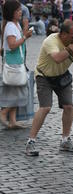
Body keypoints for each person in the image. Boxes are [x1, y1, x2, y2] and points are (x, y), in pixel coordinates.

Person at [25, 19, 73, 156]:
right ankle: (30, 142)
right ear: (63, 34)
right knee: (45, 107)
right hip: (44, 76)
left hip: (62, 76)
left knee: (69, 106)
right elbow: (57, 58)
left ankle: (65, 141)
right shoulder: (51, 40)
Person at [0, 0, 32, 128]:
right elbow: (13, 45)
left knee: (15, 91)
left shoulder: (15, 25)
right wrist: (25, 37)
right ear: (12, 12)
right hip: (13, 64)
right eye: (18, 10)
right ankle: (4, 113)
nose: (21, 12)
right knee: (20, 91)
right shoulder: (11, 27)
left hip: (17, 61)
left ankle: (12, 121)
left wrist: (25, 32)